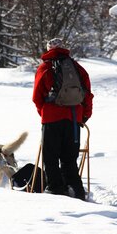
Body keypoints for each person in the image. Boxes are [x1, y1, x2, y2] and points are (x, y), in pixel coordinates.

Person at [32, 38, 93, 200]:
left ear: (48, 49)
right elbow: (87, 94)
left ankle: (56, 190)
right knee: (69, 159)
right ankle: (77, 191)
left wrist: (45, 114)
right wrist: (83, 116)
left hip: (51, 119)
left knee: (50, 158)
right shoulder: (77, 68)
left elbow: (37, 97)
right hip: (73, 119)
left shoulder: (45, 67)